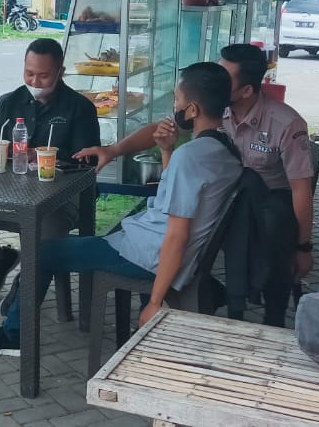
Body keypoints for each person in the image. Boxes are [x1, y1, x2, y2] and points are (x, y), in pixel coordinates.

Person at [0, 62, 242, 355]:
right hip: (150, 245)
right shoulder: (225, 148)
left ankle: (14, 335)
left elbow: (177, 235)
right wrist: (165, 150)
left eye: (177, 100)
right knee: (59, 247)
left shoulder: (190, 157)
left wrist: (154, 302)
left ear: (193, 110)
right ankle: (18, 316)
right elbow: (173, 198)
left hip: (146, 254)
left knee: (41, 253)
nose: (174, 107)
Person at [77, 44, 314, 327]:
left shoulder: (285, 123)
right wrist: (114, 150)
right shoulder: (213, 108)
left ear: (247, 90)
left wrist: (303, 248)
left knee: (276, 228)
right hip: (219, 206)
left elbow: (301, 191)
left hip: (265, 206)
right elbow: (162, 129)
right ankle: (208, 293)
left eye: (225, 76)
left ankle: (274, 316)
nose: (216, 77)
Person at [0, 38, 100, 296]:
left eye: (44, 76)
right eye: (29, 73)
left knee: (46, 228)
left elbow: (88, 162)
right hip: (9, 189)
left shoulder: (80, 108)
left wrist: (45, 155)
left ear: (60, 72)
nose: (35, 82)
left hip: (63, 196)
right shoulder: (9, 102)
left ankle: (25, 292)